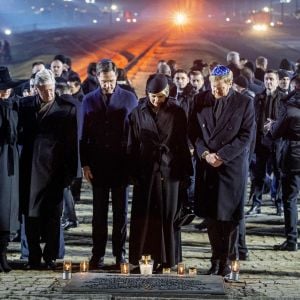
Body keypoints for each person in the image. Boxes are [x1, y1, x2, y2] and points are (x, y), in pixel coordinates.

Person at [189, 65, 255, 276]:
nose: (215, 92)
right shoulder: (200, 100)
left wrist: (222, 156)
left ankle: (227, 259)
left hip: (231, 166)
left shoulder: (244, 103)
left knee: (229, 217)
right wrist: (205, 154)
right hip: (208, 164)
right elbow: (193, 132)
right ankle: (215, 259)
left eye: (220, 88)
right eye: (212, 87)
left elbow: (245, 136)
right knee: (211, 216)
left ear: (230, 83)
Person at [128, 73, 193, 270]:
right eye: (152, 96)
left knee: (167, 215)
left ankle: (166, 258)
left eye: (160, 96)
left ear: (167, 93)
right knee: (145, 215)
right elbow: (132, 143)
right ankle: (144, 257)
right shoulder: (137, 112)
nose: (156, 101)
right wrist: (132, 171)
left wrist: (185, 174)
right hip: (146, 170)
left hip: (170, 170)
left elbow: (182, 143)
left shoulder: (177, 111)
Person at [19, 69, 79, 269]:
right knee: (31, 216)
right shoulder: (25, 106)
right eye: (44, 91)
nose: (49, 94)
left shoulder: (66, 109)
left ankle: (50, 256)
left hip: (55, 171)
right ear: (36, 89)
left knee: (53, 216)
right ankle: (33, 257)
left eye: (51, 89)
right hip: (30, 171)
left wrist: (71, 174)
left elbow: (72, 144)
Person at [80, 59, 137, 269]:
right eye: (104, 81)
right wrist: (85, 164)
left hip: (121, 165)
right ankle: (98, 254)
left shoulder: (130, 99)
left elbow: (135, 134)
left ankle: (120, 253)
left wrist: (133, 164)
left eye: (111, 81)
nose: (108, 85)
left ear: (116, 77)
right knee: (99, 213)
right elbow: (82, 134)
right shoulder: (88, 100)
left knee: (121, 213)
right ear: (97, 78)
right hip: (98, 165)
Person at [247, 70, 286, 216]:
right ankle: (256, 204)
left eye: (271, 79)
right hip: (261, 142)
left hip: (277, 142)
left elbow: (287, 120)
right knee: (259, 174)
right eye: (266, 79)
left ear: (277, 81)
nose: (268, 82)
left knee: (278, 173)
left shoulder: (283, 98)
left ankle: (279, 204)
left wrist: (275, 124)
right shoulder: (258, 97)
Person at [269, 75, 300, 251]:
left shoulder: (289, 108)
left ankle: (291, 240)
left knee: (290, 200)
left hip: (293, 158)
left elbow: (276, 132)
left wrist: (271, 126)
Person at [0, 66, 20, 272]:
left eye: (7, 88)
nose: (5, 91)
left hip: (9, 164)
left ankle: (2, 253)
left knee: (7, 211)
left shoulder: (13, 106)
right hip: (2, 161)